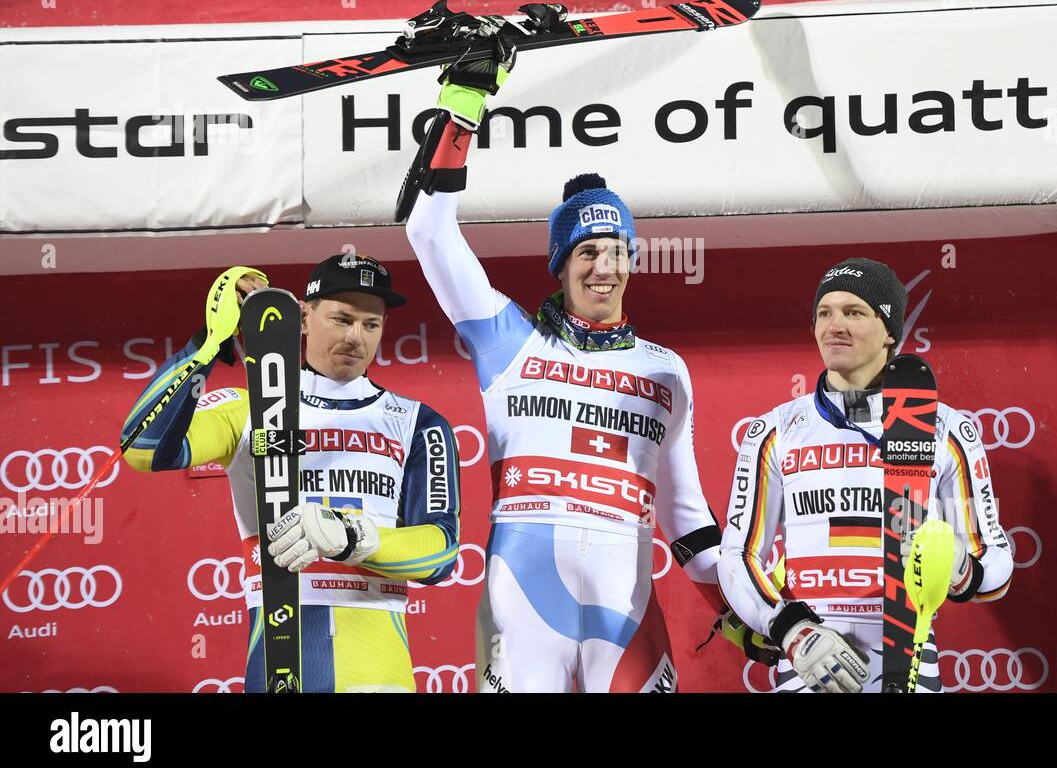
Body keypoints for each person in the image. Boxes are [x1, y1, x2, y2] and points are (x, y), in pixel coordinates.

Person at [398, 34, 758, 692]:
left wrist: (750, 612)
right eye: (585, 250)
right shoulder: (510, 342)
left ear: (631, 260)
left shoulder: (664, 371)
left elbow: (687, 520)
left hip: (627, 613)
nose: (602, 264)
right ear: (562, 264)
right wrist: (464, 101)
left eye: (615, 248)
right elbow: (428, 232)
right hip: (522, 607)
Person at [120, 254, 461, 693]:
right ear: (303, 317)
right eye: (341, 319)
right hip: (280, 655)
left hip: (378, 665)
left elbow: (441, 555)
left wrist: (354, 538)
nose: (356, 337)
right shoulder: (246, 408)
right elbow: (142, 449)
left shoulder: (419, 423)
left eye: (371, 325)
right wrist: (207, 345)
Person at [718, 258, 1014, 692]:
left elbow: (997, 564)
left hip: (907, 661)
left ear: (890, 330)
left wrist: (959, 567)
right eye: (825, 312)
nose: (833, 325)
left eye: (854, 312)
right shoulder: (774, 430)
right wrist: (791, 631)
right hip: (812, 659)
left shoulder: (946, 429)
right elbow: (738, 556)